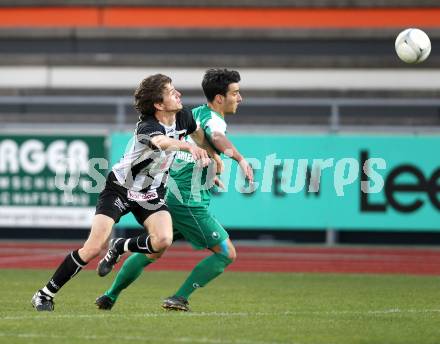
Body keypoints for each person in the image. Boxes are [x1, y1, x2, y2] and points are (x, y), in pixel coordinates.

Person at [31, 73, 218, 311]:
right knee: (94, 247)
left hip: (151, 193)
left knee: (163, 240)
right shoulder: (147, 126)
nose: (179, 93)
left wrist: (215, 160)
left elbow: (202, 140)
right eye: (172, 92)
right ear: (159, 105)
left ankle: (120, 246)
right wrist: (187, 146)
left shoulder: (184, 117)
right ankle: (44, 294)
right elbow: (161, 142)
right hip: (120, 189)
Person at [95, 68, 254, 312]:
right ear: (219, 98)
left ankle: (110, 294)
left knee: (154, 250)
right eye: (235, 93)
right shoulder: (213, 119)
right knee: (226, 253)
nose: (239, 98)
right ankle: (179, 297)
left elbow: (196, 146)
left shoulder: (193, 114)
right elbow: (216, 136)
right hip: (188, 201)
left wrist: (210, 171)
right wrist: (240, 159)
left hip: (175, 192)